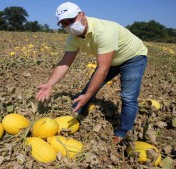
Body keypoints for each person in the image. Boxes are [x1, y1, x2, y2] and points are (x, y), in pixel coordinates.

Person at [35, 2, 148, 144]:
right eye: (64, 23)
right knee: (89, 89)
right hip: (111, 59)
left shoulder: (103, 31)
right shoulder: (73, 38)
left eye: (71, 20)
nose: (68, 25)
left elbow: (103, 68)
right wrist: (49, 84)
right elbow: (65, 62)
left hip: (133, 58)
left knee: (128, 97)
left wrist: (88, 95)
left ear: (82, 15)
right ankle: (77, 116)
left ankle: (122, 133)